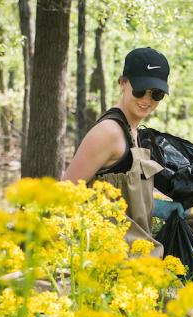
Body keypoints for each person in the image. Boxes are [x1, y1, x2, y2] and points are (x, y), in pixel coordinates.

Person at [64, 47, 184, 257]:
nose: (147, 100)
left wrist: (158, 207)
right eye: (140, 90)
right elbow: (63, 195)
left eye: (156, 94)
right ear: (122, 83)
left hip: (138, 253)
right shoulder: (108, 132)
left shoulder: (134, 132)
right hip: (110, 258)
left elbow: (118, 195)